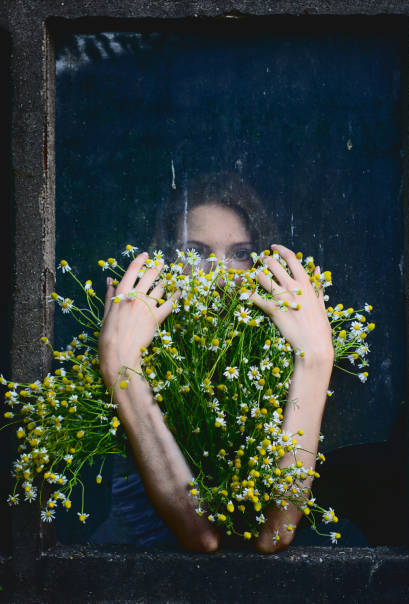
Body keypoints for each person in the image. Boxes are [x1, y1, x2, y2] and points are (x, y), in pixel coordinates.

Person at [97, 172, 335, 553]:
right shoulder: (138, 348)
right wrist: (119, 364)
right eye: (197, 251)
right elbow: (201, 536)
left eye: (240, 254)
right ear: (169, 259)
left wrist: (317, 358)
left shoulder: (278, 355)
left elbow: (274, 533)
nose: (220, 276)